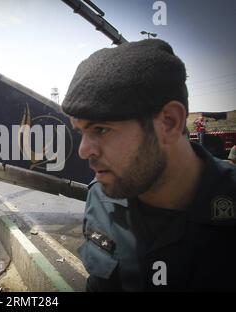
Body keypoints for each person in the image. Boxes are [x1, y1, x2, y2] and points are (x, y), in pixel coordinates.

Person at [61, 39, 236, 291]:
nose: (84, 150)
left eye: (101, 129)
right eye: (81, 132)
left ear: (169, 123)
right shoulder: (100, 197)